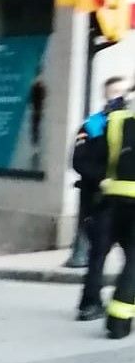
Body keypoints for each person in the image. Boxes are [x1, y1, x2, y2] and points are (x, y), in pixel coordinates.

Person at [73, 84, 135, 338]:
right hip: (104, 200)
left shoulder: (113, 122)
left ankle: (97, 307)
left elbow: (105, 158)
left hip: (111, 199)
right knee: (113, 257)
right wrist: (99, 181)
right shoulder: (97, 123)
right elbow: (83, 160)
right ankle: (104, 312)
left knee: (103, 254)